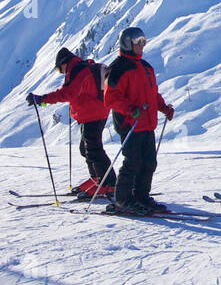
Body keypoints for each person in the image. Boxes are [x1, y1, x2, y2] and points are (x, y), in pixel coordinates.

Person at [103, 26, 175, 215]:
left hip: (147, 122)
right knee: (132, 161)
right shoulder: (118, 68)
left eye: (144, 42)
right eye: (138, 42)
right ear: (127, 43)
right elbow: (110, 98)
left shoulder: (146, 67)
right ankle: (122, 200)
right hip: (130, 123)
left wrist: (164, 108)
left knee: (149, 162)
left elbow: (153, 94)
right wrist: (130, 109)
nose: (142, 46)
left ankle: (141, 196)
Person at [27, 47, 116, 200]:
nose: (60, 72)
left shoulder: (78, 71)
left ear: (64, 63)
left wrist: (42, 99)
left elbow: (67, 93)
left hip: (92, 114)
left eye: (59, 69)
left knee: (93, 149)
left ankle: (109, 184)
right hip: (96, 112)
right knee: (86, 148)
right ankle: (97, 179)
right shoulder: (81, 69)